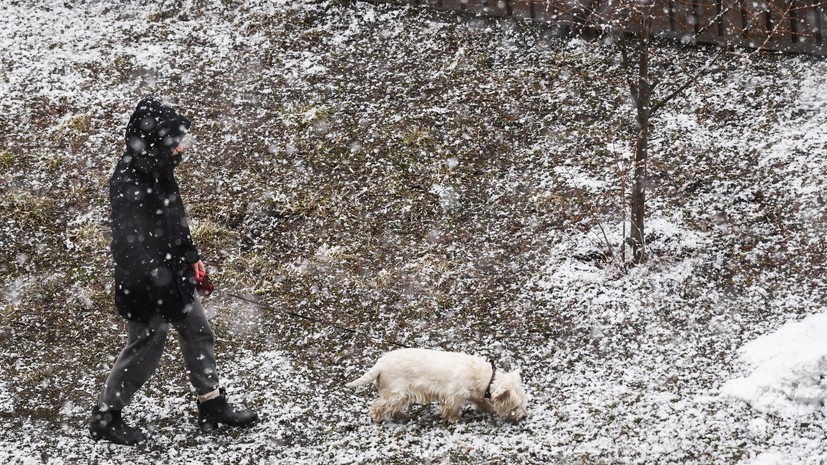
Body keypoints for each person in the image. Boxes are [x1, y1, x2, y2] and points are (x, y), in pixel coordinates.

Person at [89, 98, 258, 445]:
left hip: (174, 275)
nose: (182, 148)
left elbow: (174, 220)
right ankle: (107, 416)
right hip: (145, 285)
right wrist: (161, 281)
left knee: (198, 332)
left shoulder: (159, 171)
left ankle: (211, 404)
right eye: (175, 141)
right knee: (146, 346)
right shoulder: (129, 182)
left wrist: (191, 256)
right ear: (155, 142)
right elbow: (131, 247)